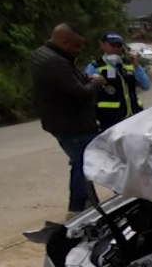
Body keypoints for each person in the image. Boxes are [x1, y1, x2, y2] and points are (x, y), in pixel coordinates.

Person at [28, 23, 104, 215]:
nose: (78, 51)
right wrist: (95, 83)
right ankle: (77, 208)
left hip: (59, 121)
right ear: (63, 41)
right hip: (72, 124)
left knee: (81, 163)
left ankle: (88, 203)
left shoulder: (44, 54)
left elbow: (65, 84)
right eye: (76, 46)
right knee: (82, 164)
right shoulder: (55, 62)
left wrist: (83, 78)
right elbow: (79, 93)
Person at [89, 31, 145, 131]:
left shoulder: (128, 65)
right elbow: (87, 90)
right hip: (110, 120)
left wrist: (137, 66)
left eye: (118, 45)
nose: (115, 48)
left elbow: (146, 85)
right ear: (103, 46)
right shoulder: (95, 66)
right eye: (112, 45)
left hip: (134, 116)